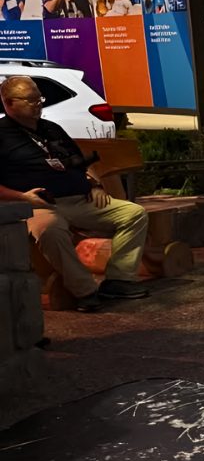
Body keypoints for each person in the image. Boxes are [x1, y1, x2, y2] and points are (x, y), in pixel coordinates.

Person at [0, 76, 149, 313]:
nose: (38, 104)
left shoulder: (52, 129)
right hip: (37, 205)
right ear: (9, 102)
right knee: (51, 230)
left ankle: (119, 280)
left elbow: (79, 164)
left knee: (134, 213)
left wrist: (94, 185)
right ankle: (84, 290)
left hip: (79, 200)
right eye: (30, 100)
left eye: (39, 98)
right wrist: (22, 197)